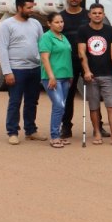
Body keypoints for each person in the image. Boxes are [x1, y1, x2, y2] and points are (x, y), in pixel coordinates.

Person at [78, 3, 112, 146]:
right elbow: (82, 52)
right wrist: (86, 71)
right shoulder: (83, 30)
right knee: (94, 105)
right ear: (89, 15)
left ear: (104, 14)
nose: (97, 15)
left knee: (111, 104)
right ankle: (97, 132)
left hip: (108, 73)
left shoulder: (110, 30)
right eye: (94, 13)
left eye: (100, 13)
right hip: (91, 75)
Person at [0, 0, 44, 144]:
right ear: (19, 8)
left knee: (32, 101)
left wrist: (43, 66)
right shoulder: (7, 25)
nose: (31, 10)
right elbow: (2, 49)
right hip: (16, 70)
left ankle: (31, 131)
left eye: (32, 7)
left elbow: (42, 44)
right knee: (15, 101)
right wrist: (7, 72)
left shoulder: (36, 23)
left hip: (35, 68)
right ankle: (12, 132)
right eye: (28, 8)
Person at [39, 12, 73, 148]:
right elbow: (45, 58)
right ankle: (54, 136)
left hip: (65, 77)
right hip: (52, 78)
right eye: (57, 22)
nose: (60, 24)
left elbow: (66, 57)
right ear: (49, 23)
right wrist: (51, 76)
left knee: (61, 107)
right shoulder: (46, 38)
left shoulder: (63, 37)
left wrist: (70, 75)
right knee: (59, 105)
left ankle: (57, 134)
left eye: (61, 22)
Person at [59, 0, 87, 138]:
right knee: (68, 95)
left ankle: (99, 126)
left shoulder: (88, 15)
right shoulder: (61, 16)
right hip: (68, 62)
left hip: (87, 60)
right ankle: (66, 127)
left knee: (93, 94)